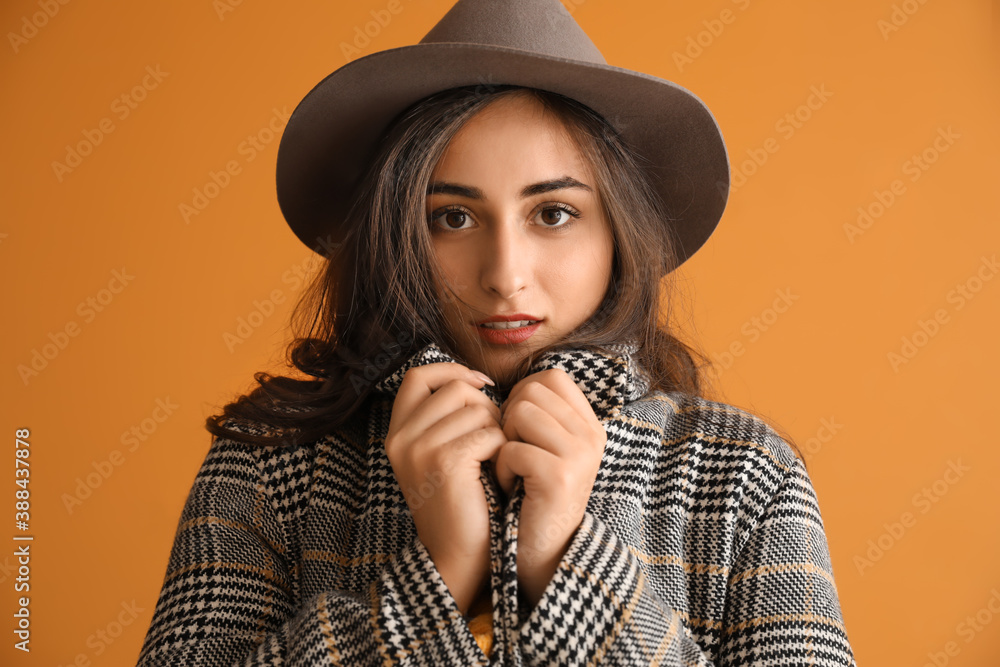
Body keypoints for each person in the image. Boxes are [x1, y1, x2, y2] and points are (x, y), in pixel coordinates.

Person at [137, 0, 858, 665]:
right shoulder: (269, 464)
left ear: (619, 233)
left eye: (553, 214)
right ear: (397, 235)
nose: (506, 275)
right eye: (452, 216)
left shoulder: (745, 477)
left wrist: (566, 562)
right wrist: (438, 573)